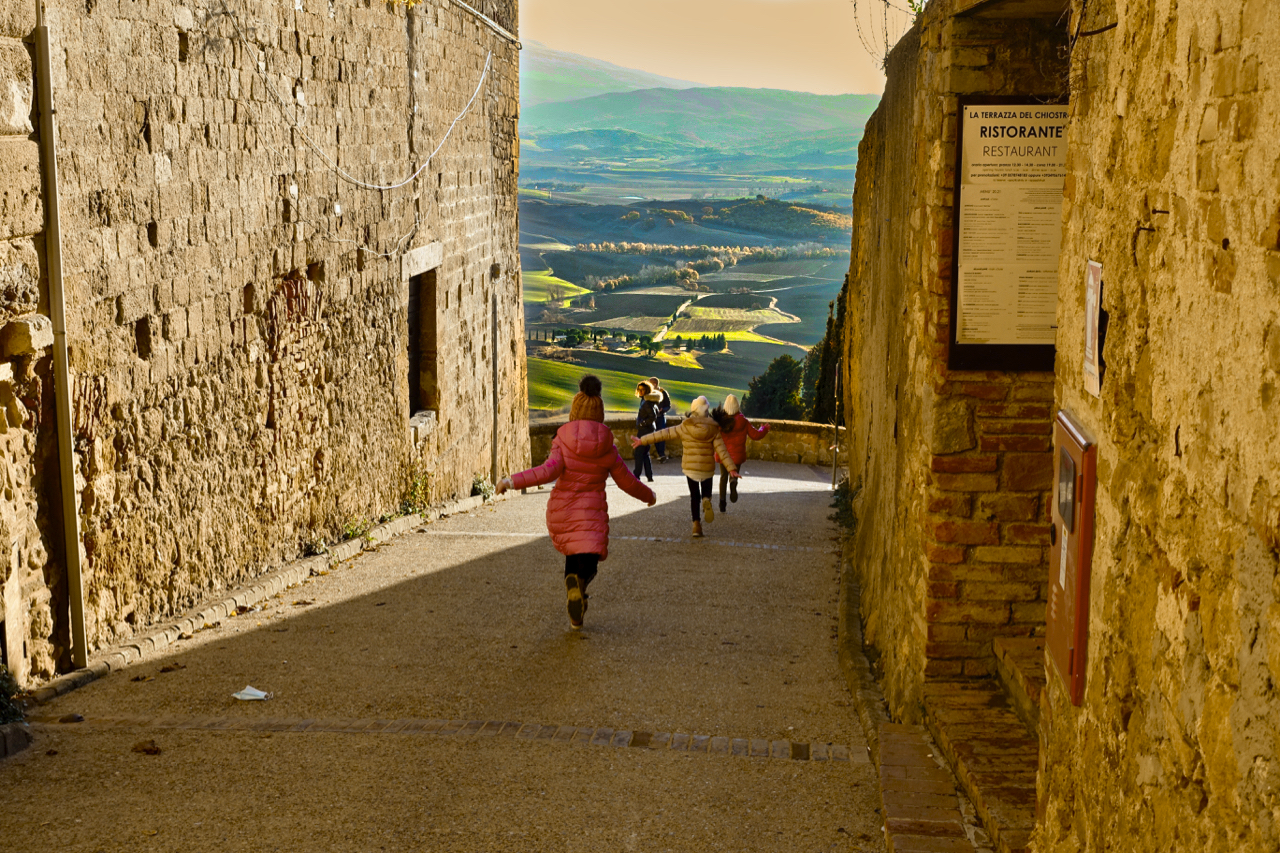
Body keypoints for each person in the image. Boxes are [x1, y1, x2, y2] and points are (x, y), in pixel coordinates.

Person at [496, 375, 656, 629]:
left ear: (574, 411)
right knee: (589, 565)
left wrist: (511, 481)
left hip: (563, 512)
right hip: (592, 517)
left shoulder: (562, 441)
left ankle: (575, 610)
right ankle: (580, 586)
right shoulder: (607, 447)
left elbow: (546, 471)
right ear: (599, 414)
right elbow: (627, 481)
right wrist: (649, 496)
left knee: (572, 557)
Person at [632, 395, 737, 538]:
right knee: (705, 491)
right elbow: (722, 450)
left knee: (694, 497)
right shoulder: (713, 429)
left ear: (693, 410)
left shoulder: (685, 427)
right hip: (706, 468)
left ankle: (696, 526)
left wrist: (642, 440)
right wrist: (731, 468)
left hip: (690, 468)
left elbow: (664, 434)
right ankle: (706, 499)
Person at [712, 394, 770, 513]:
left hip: (723, 455)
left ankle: (722, 502)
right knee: (734, 474)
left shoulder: (721, 422)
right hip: (737, 456)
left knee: (723, 477)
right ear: (737, 406)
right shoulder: (743, 421)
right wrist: (764, 429)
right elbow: (755, 435)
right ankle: (733, 482)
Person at [633, 381, 660, 482]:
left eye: (642, 389)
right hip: (647, 429)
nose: (640, 391)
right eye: (639, 389)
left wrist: (642, 424)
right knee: (645, 453)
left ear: (647, 390)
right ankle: (649, 475)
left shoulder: (647, 402)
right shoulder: (647, 401)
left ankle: (636, 474)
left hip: (645, 430)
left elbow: (652, 417)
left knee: (639, 453)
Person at [648, 376, 672, 462]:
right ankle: (658, 454)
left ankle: (661, 454)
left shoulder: (663, 392)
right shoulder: (649, 393)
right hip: (651, 418)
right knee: (654, 436)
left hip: (660, 417)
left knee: (661, 435)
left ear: (655, 384)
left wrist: (662, 410)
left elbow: (668, 405)